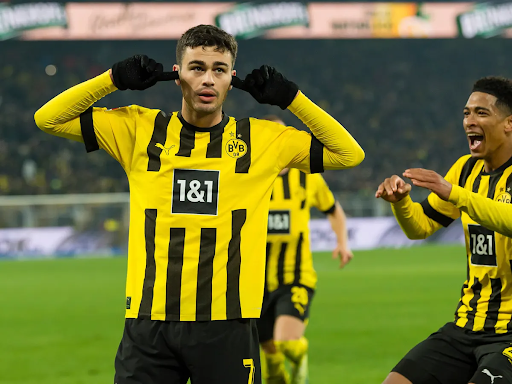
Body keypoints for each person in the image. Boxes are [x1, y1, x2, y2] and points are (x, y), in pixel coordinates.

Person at [34, 25, 364, 384]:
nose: (208, 79)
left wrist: (290, 98)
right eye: (197, 68)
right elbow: (47, 118)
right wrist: (112, 79)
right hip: (149, 326)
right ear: (177, 76)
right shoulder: (138, 129)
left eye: (219, 70)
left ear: (231, 79)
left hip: (227, 325)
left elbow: (349, 154)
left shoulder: (263, 140)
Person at [375, 76, 512, 384]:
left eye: (481, 113)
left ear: (509, 123)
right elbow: (420, 228)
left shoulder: (462, 185)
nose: (470, 121)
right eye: (466, 113)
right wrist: (401, 203)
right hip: (467, 326)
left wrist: (454, 193)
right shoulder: (465, 169)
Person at [258, 115, 354, 384]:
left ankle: (299, 359)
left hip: (296, 277)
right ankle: (278, 370)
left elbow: (333, 210)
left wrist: (342, 242)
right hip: (254, 280)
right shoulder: (251, 176)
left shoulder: (307, 178)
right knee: (269, 351)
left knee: (287, 342)